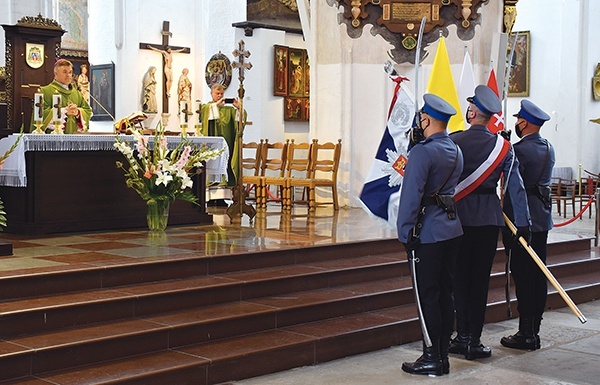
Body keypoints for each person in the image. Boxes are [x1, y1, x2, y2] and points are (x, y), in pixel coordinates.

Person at [449, 85, 531, 360]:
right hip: (487, 219)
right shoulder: (503, 146)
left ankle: (461, 337)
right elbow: (515, 187)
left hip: (458, 218)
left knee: (459, 278)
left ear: (472, 113)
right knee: (479, 279)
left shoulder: (454, 141)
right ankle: (474, 340)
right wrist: (523, 222)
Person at [397, 94, 464, 376]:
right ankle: (442, 354)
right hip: (451, 229)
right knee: (445, 295)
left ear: (426, 119)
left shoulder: (423, 152)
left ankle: (430, 356)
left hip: (428, 233)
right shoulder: (455, 149)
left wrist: (405, 232)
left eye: (421, 118)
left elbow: (411, 195)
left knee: (427, 297)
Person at [501, 100, 554, 350]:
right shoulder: (548, 147)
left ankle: (525, 333)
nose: (517, 123)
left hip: (522, 222)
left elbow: (514, 187)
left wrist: (504, 149)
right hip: (542, 220)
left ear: (524, 122)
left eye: (519, 120)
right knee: (538, 275)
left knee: (523, 277)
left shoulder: (518, 151)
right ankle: (535, 329)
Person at [200, 83, 246, 190]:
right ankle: (211, 196)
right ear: (211, 94)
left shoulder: (229, 110)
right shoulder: (207, 108)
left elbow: (240, 123)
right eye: (217, 93)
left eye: (221, 93)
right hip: (212, 146)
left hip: (227, 144)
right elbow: (203, 115)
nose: (220, 96)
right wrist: (215, 106)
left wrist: (239, 108)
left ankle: (222, 196)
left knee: (225, 165)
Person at [32, 59, 93, 133]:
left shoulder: (77, 93)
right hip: (52, 139)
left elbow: (88, 111)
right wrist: (64, 111)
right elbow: (40, 115)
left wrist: (78, 112)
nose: (68, 75)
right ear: (56, 73)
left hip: (74, 138)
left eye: (70, 72)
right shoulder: (45, 91)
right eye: (64, 72)